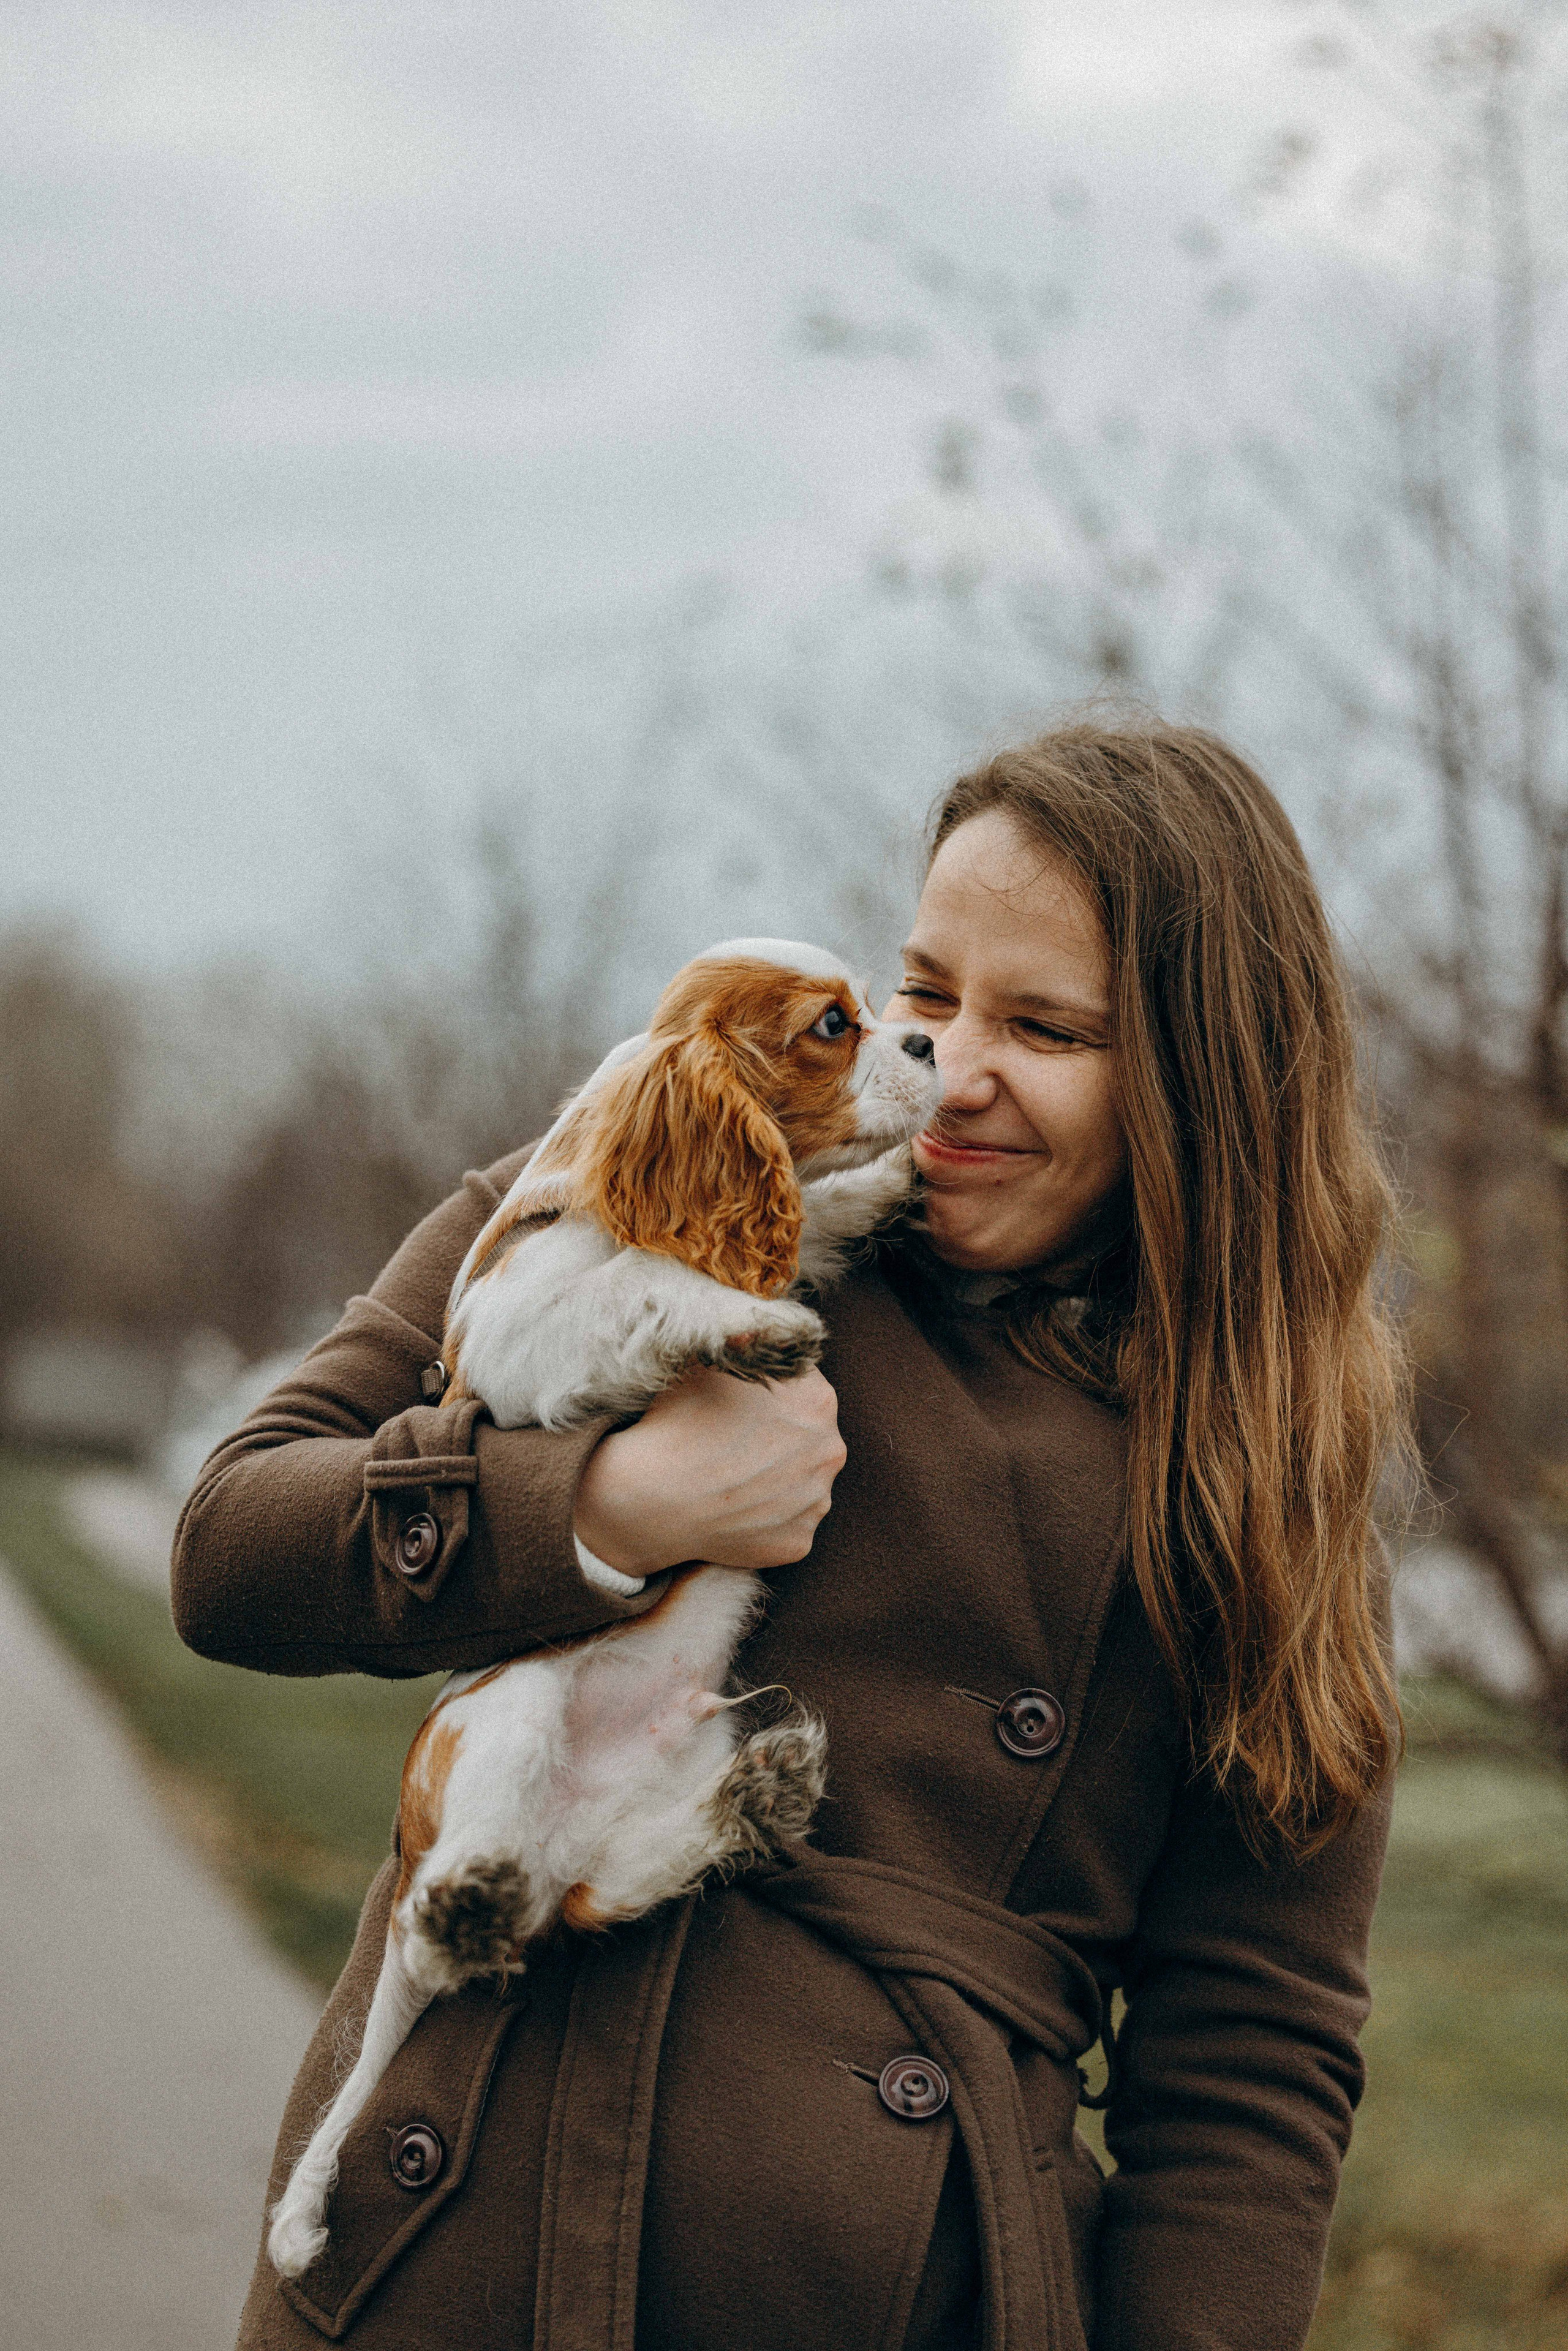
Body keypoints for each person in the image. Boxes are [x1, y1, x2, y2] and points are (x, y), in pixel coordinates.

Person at [175, 719, 1404, 2351]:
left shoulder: (1262, 1468)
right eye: (927, 988)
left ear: (1205, 1080)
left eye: (1046, 1027)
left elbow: (1252, 2055)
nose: (949, 1066)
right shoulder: (650, 1174)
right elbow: (232, 1547)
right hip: (450, 2247)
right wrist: (599, 1509)